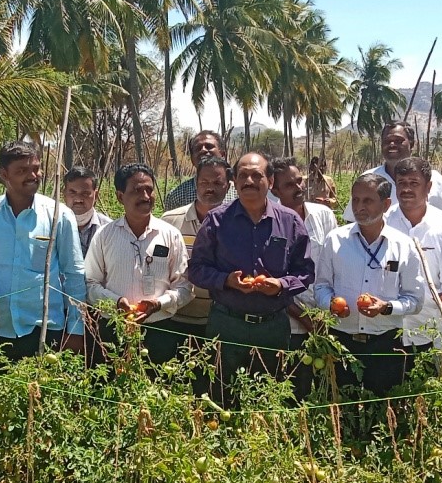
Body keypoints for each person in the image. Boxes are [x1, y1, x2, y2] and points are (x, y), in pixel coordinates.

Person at [188, 152, 314, 403]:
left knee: (270, 395)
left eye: (257, 175)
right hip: (226, 324)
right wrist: (226, 280)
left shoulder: (289, 222)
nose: (249, 181)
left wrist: (280, 285)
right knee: (220, 396)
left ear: (270, 181)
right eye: (243, 175)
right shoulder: (217, 220)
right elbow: (196, 269)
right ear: (234, 181)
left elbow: (306, 272)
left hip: (273, 327)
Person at [0, 142, 87, 359]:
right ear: (4, 174)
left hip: (45, 326)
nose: (33, 175)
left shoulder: (58, 215)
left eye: (36, 168)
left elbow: (74, 274)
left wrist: (76, 328)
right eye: (22, 171)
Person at [314, 173, 426, 395]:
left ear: (386, 204)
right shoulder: (335, 240)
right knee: (342, 407)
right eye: (355, 200)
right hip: (341, 341)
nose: (359, 206)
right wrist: (332, 303)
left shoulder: (404, 245)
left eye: (367, 200)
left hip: (385, 344)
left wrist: (386, 307)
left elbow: (415, 300)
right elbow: (321, 287)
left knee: (384, 412)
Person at [84, 163, 192, 363]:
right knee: (112, 387)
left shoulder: (170, 235)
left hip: (159, 330)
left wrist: (159, 304)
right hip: (113, 329)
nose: (145, 196)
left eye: (149, 190)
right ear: (120, 196)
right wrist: (116, 303)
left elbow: (184, 286)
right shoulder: (105, 236)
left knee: (158, 389)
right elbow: (90, 283)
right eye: (136, 190)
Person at [387, 155, 442, 355]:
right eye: (401, 183)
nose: (407, 189)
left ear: (428, 187)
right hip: (391, 328)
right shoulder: (383, 224)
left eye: (414, 183)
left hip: (433, 331)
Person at [270, 156, 339, 343]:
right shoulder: (268, 225)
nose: (299, 188)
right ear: (274, 190)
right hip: (289, 325)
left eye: (299, 181)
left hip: (326, 317)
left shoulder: (323, 215)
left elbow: (335, 265)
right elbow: (273, 284)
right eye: (289, 185)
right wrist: (307, 319)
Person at [161, 156, 231, 339]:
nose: (210, 188)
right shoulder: (170, 220)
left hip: (220, 320)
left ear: (228, 186)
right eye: (204, 182)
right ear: (195, 184)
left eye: (217, 182)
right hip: (174, 318)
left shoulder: (238, 223)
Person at [344, 121, 442, 222]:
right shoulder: (369, 179)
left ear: (411, 144)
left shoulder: (434, 179)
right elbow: (351, 221)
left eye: (398, 141)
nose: (392, 144)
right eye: (387, 141)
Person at [164, 131, 234, 210]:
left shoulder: (238, 193)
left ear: (223, 155)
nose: (203, 150)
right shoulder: (176, 196)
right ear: (192, 159)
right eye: (198, 148)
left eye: (209, 146)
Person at [63, 166, 111, 253]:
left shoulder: (109, 229)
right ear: (64, 194)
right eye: (72, 192)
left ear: (95, 196)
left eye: (85, 193)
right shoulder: (52, 227)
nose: (78, 199)